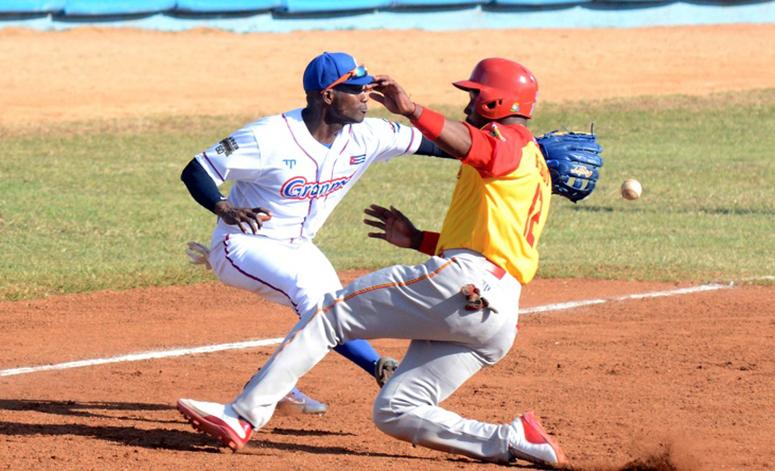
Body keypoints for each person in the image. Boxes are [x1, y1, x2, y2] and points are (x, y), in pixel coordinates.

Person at [177, 58, 568, 468]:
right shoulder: (526, 162)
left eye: (473, 96)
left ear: (494, 101)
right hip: (497, 316)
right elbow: (488, 228)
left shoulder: (506, 144)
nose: (467, 106)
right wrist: (418, 240)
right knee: (396, 411)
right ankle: (512, 439)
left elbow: (470, 145)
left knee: (328, 312)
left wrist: (413, 109)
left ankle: (241, 416)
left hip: (465, 284)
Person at [179, 51, 454, 414]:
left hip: (300, 247)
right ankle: (261, 401)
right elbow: (196, 170)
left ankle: (277, 382)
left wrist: (506, 151)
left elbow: (439, 145)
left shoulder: (369, 135)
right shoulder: (267, 137)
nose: (365, 97)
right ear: (327, 95)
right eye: (355, 90)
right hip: (243, 244)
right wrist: (225, 208)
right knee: (315, 301)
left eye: (366, 89)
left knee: (338, 309)